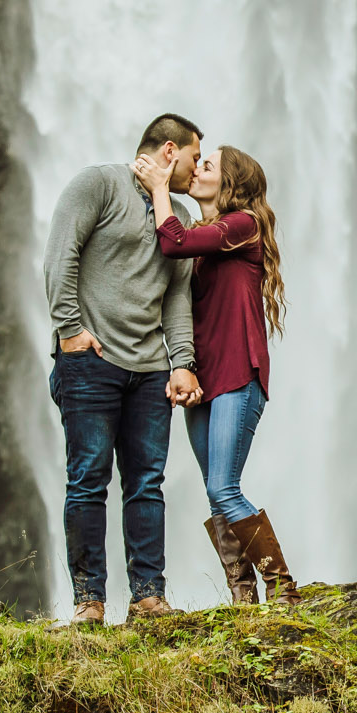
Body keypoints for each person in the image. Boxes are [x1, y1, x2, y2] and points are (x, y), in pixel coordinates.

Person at [43, 113, 206, 624]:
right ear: (170, 150)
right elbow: (59, 255)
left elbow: (177, 297)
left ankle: (147, 598)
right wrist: (70, 329)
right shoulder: (98, 184)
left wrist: (182, 362)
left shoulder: (175, 215)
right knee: (88, 480)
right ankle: (89, 602)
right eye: (196, 158)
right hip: (91, 361)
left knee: (146, 483)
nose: (198, 169)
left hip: (150, 369)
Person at [132, 144, 296, 605]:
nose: (197, 168)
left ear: (231, 182)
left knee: (224, 487)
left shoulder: (242, 224)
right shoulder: (209, 234)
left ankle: (283, 589)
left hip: (239, 374)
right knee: (214, 492)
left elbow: (173, 242)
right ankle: (243, 596)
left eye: (207, 164)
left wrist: (160, 187)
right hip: (202, 381)